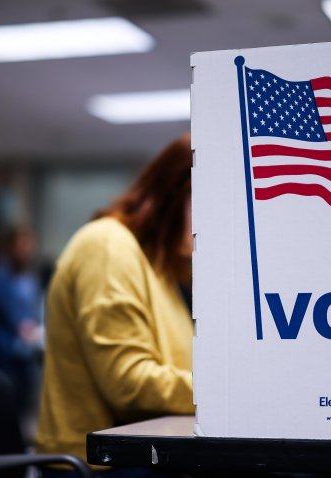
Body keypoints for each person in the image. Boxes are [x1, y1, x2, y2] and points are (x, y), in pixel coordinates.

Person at [35, 133, 194, 475]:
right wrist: (226, 392)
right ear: (173, 195)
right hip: (98, 462)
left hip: (142, 449)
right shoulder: (108, 246)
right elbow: (129, 385)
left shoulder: (158, 266)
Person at [0, 225, 44, 414]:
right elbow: (5, 306)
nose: (26, 249)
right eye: (22, 244)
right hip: (7, 344)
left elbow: (35, 304)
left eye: (29, 244)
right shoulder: (1, 272)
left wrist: (35, 328)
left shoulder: (30, 273)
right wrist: (21, 328)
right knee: (7, 393)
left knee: (25, 393)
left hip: (27, 346)